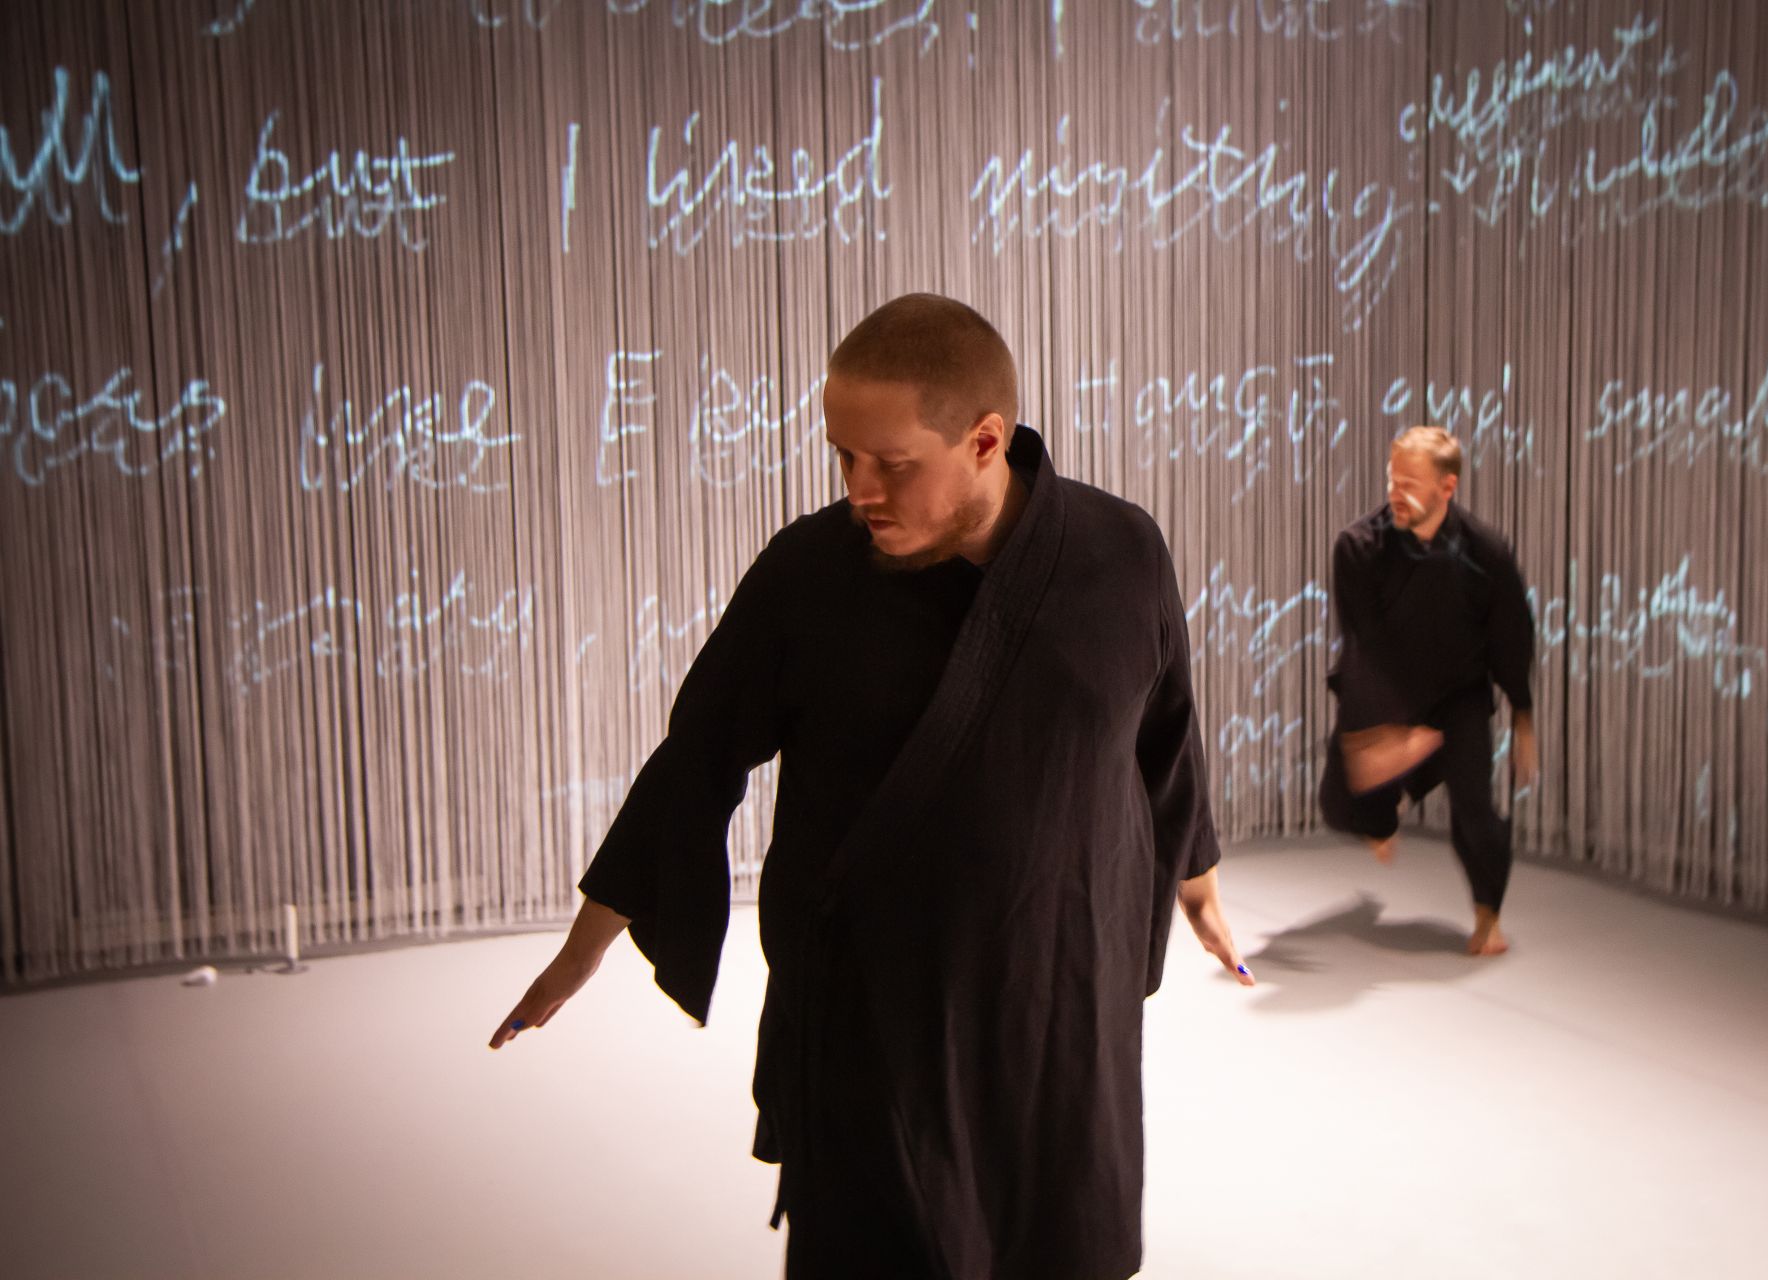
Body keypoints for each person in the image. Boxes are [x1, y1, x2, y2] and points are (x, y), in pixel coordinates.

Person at [490, 294, 1254, 1279]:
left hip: (1058, 1001)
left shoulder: (1120, 553)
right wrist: (584, 946)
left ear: (986, 439)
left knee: (1061, 1242)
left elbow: (1163, 732)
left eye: (892, 463)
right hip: (873, 1024)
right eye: (843, 454)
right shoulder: (810, 574)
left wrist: (1196, 881)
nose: (860, 489)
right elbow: (698, 757)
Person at [1317, 426, 1537, 957]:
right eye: (1393, 479)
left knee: (1476, 813)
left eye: (1411, 483)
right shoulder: (1358, 547)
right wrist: (1382, 737)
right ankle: (1380, 820)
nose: (1396, 492)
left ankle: (1488, 916)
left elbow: (1511, 635)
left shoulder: (1486, 551)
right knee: (1339, 804)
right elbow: (1361, 647)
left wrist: (1523, 716)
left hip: (1458, 699)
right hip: (1384, 690)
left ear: (1447, 487)